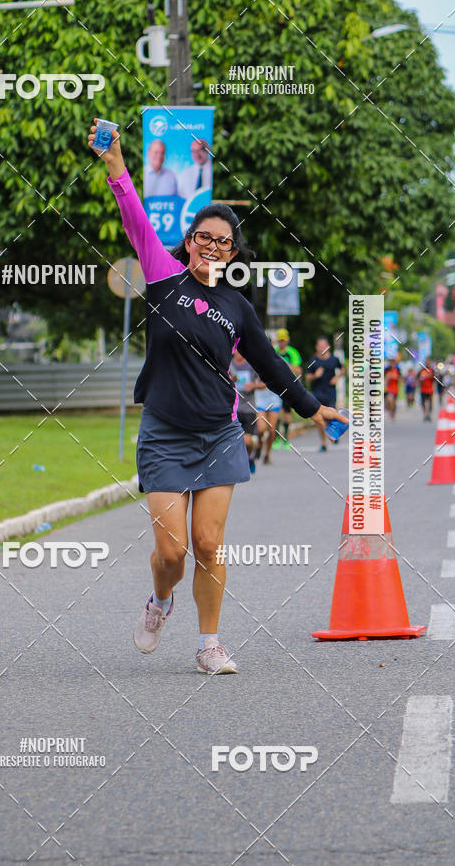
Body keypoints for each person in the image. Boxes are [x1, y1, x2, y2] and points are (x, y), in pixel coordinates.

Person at [88, 118, 346, 674]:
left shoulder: (238, 308)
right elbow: (133, 217)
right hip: (163, 432)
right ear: (189, 242)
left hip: (219, 434)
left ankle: (209, 644)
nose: (212, 246)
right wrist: (116, 166)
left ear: (232, 253)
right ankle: (160, 601)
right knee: (172, 553)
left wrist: (311, 406)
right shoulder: (161, 277)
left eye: (223, 242)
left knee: (207, 543)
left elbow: (269, 363)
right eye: (204, 237)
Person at [305, 338, 345, 451]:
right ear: (316, 347)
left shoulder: (334, 359)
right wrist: (315, 376)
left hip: (330, 392)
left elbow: (342, 370)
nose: (322, 348)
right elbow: (307, 377)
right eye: (320, 346)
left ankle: (333, 433)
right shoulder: (313, 361)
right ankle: (323, 443)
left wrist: (337, 377)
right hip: (317, 394)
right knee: (319, 419)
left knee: (331, 416)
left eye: (324, 345)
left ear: (328, 347)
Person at [229, 351, 259, 472]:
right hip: (232, 409)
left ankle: (250, 457)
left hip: (248, 408)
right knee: (233, 440)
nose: (237, 353)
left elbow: (264, 383)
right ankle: (238, 463)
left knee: (247, 440)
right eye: (235, 351)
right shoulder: (229, 365)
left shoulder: (251, 366)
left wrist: (253, 386)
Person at [274, 328, 301, 449]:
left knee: (286, 414)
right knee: (275, 413)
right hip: (275, 386)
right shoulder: (273, 351)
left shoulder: (292, 352)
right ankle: (275, 438)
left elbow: (299, 370)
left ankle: (285, 438)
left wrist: (287, 366)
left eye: (283, 340)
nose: (282, 343)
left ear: (287, 340)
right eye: (280, 340)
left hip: (288, 386)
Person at [254, 367, 282, 465]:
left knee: (271, 429)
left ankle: (267, 454)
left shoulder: (276, 362)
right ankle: (259, 444)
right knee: (261, 429)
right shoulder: (254, 362)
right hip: (260, 401)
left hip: (274, 400)